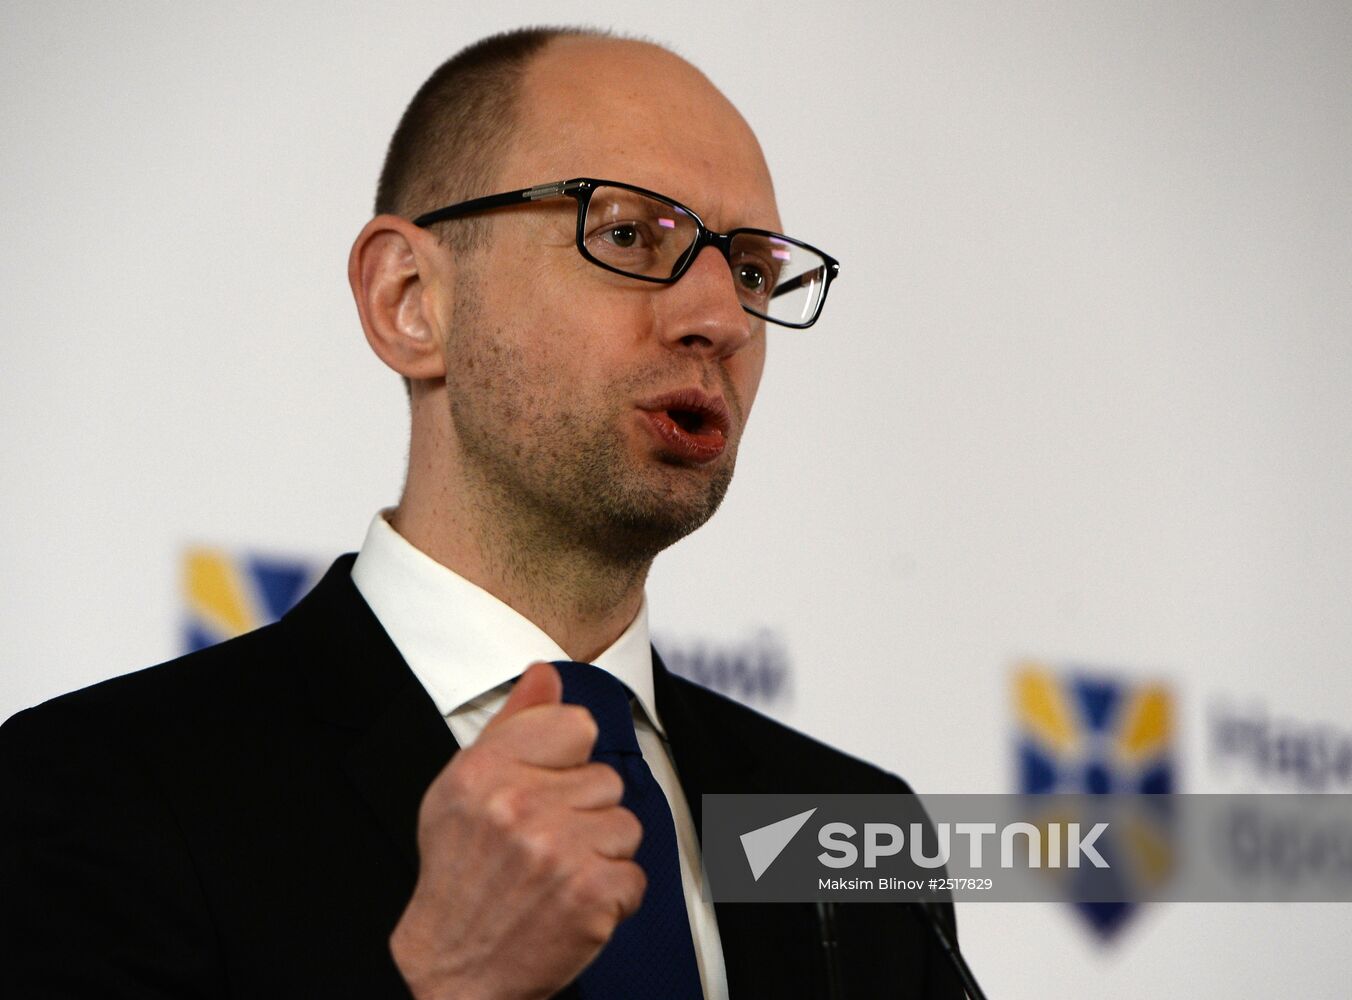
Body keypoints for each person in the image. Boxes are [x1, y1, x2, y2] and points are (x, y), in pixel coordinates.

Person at [0, 27, 961, 999]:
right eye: (628, 235)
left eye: (751, 271)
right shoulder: (91, 791)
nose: (718, 318)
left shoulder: (840, 829)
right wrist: (442, 983)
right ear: (409, 299)